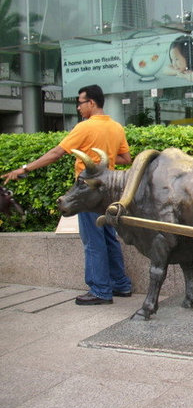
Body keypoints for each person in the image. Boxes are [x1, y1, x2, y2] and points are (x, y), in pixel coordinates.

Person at [2, 85, 132, 306]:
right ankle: (121, 284)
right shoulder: (116, 127)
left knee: (93, 239)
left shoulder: (85, 127)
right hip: (108, 189)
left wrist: (23, 169)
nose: (78, 107)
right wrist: (103, 160)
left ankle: (100, 290)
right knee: (109, 236)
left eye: (80, 103)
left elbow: (56, 153)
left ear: (92, 103)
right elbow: (125, 158)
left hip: (88, 191)